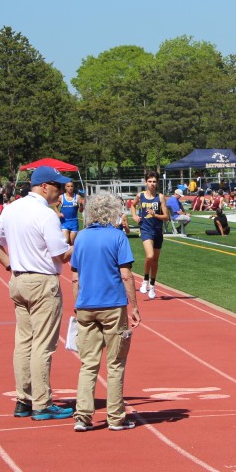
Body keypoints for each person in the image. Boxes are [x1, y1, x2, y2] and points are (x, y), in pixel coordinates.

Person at [0, 165, 74, 421]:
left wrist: (10, 264)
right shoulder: (46, 214)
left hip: (19, 280)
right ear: (44, 187)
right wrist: (80, 243)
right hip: (42, 281)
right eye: (57, 187)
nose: (60, 192)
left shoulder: (12, 208)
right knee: (43, 345)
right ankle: (42, 403)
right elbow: (61, 255)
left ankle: (23, 399)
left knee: (23, 343)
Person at [71, 193, 142, 432]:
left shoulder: (81, 237)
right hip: (112, 305)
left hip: (86, 306)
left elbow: (75, 276)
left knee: (88, 364)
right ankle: (115, 417)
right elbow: (126, 274)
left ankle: (83, 416)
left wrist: (77, 303)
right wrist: (134, 306)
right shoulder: (118, 236)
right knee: (115, 364)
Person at [132, 171, 169, 300]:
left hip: (157, 230)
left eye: (154, 181)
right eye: (150, 181)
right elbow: (133, 205)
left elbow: (166, 217)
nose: (152, 184)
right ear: (146, 182)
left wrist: (155, 214)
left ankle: (152, 285)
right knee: (150, 256)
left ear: (157, 182)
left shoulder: (160, 197)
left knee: (155, 260)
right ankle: (145, 279)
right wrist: (134, 216)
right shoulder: (140, 195)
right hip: (146, 229)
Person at [57, 180, 83, 245]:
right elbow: (55, 206)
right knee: (66, 241)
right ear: (65, 187)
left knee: (72, 242)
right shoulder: (61, 197)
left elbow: (81, 211)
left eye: (71, 186)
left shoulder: (77, 197)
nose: (70, 188)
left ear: (73, 187)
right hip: (64, 222)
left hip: (74, 222)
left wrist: (81, 205)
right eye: (68, 186)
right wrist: (58, 213)